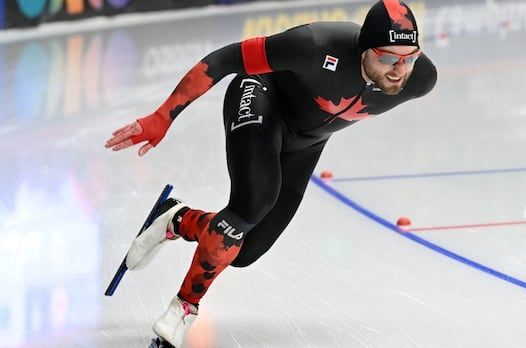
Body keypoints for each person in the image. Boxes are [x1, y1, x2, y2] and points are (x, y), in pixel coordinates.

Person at [105, 0, 437, 346]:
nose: (399, 69)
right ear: (363, 49)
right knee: (255, 201)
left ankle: (178, 219)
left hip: (307, 143)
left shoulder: (421, 79)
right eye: (387, 58)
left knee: (245, 251)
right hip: (261, 96)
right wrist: (163, 116)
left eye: (408, 58)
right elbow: (224, 59)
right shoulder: (315, 46)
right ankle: (183, 308)